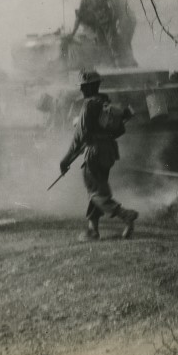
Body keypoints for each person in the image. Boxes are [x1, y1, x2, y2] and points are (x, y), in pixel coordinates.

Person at [59, 70, 138, 240]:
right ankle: (93, 230)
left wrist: (65, 160)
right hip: (108, 151)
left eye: (83, 87)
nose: (81, 90)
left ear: (89, 87)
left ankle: (125, 214)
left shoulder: (88, 105)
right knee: (97, 189)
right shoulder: (106, 103)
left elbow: (79, 137)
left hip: (94, 153)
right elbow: (119, 130)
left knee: (95, 191)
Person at [69, 0, 138, 67]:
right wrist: (73, 32)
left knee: (112, 40)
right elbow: (79, 16)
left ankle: (120, 61)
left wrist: (114, 13)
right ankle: (110, 63)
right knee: (102, 43)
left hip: (108, 19)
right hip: (99, 23)